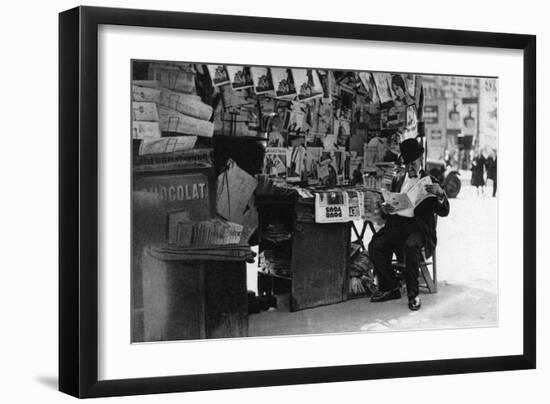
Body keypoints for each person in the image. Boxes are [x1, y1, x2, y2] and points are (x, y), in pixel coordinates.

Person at [368, 138, 450, 311]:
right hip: (397, 224)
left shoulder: (430, 181)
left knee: (411, 246)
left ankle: (413, 296)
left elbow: (444, 212)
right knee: (375, 246)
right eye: (407, 164)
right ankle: (391, 287)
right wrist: (387, 207)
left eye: (414, 163)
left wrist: (440, 194)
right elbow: (390, 206)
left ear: (420, 159)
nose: (411, 167)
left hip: (418, 228)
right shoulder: (398, 179)